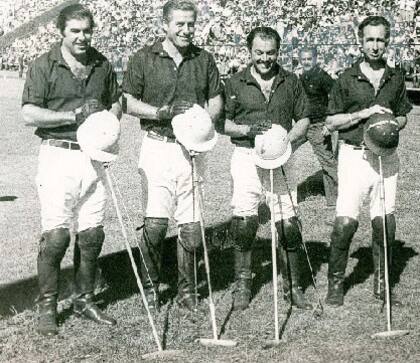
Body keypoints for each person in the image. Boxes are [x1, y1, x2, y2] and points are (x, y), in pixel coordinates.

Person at [21, 4, 121, 336]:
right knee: (56, 236)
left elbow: (116, 100)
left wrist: (109, 119)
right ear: (61, 32)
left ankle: (84, 300)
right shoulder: (44, 64)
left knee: (92, 234)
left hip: (94, 155)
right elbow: (29, 113)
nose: (82, 37)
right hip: (58, 155)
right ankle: (47, 307)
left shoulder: (101, 63)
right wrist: (72, 116)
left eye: (87, 30)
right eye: (75, 31)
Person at [122, 0, 223, 311]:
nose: (186, 29)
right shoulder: (144, 57)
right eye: (179, 23)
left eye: (191, 24)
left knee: (191, 226)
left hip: (192, 149)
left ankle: (188, 291)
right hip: (158, 145)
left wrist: (202, 122)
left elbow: (216, 98)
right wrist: (160, 112)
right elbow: (126, 101)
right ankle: (151, 289)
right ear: (164, 24)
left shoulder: (203, 58)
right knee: (154, 224)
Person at [324, 16, 412, 307]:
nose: (375, 46)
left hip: (385, 155)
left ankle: (382, 285)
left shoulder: (395, 77)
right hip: (354, 155)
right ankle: (336, 284)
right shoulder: (347, 78)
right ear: (360, 41)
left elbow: (402, 114)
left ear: (387, 42)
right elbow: (332, 121)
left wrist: (392, 123)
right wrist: (364, 115)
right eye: (370, 40)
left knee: (384, 221)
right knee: (346, 222)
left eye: (380, 40)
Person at [223, 26, 312, 311]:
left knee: (288, 224)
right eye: (259, 53)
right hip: (246, 156)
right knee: (245, 223)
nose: (265, 59)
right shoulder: (235, 82)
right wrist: (249, 130)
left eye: (271, 52)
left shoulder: (291, 81)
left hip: (281, 157)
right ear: (249, 52)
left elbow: (305, 119)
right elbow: (222, 124)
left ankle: (294, 287)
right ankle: (243, 285)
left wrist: (287, 139)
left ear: (278, 51)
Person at [298, 46, 338, 207]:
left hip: (318, 125)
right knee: (283, 153)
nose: (306, 62)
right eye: (304, 59)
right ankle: (281, 197)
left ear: (315, 59)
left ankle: (337, 199)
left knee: (328, 162)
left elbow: (337, 96)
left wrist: (330, 123)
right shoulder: (300, 76)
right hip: (301, 125)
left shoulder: (322, 76)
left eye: (309, 59)